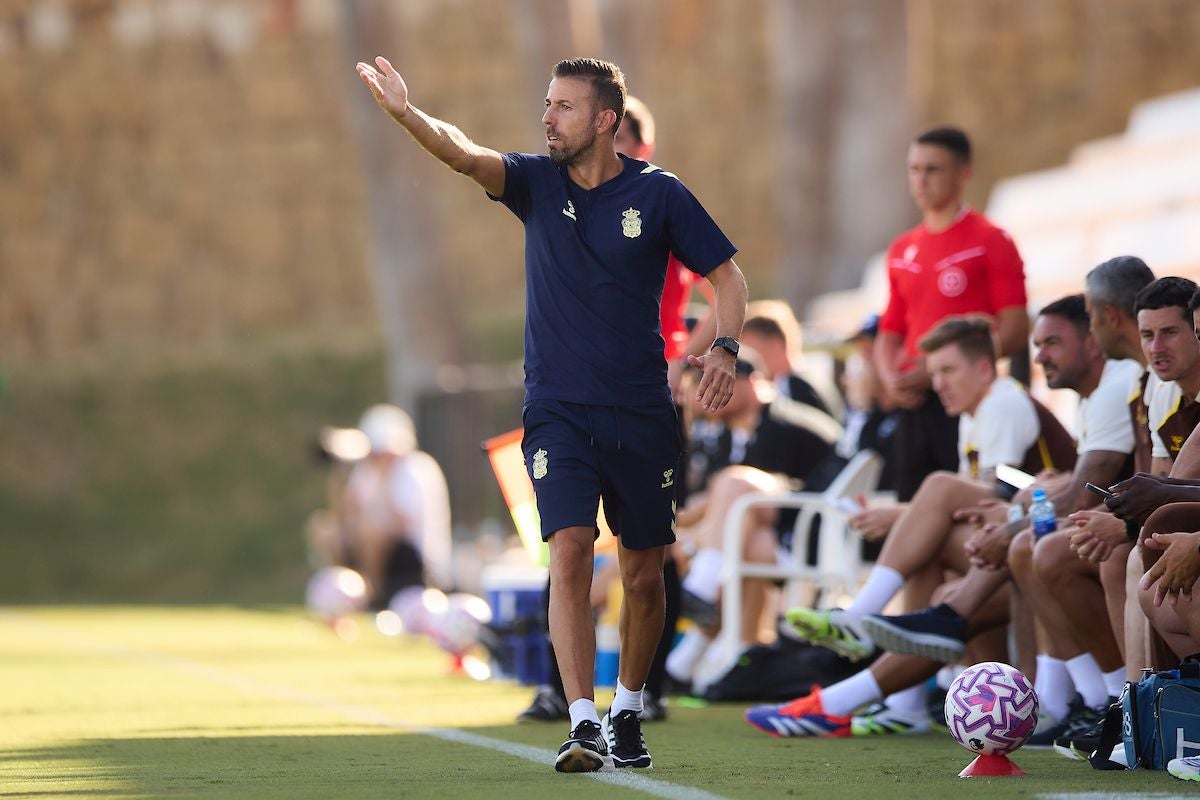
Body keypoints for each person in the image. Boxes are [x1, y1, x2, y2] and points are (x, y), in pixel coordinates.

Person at [356, 56, 747, 773]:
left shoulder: (660, 196)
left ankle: (629, 706)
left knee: (644, 578)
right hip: (557, 410)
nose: (547, 118)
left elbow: (728, 276)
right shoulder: (534, 183)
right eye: (546, 104)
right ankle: (582, 721)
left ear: (605, 121)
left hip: (641, 414)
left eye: (563, 107)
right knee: (567, 548)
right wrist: (408, 116)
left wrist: (723, 348)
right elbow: (463, 153)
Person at [517, 94, 706, 726]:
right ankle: (564, 695)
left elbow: (715, 286)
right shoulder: (568, 197)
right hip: (569, 394)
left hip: (646, 396)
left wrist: (690, 356)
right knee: (568, 541)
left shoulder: (659, 201)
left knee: (651, 558)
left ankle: (640, 693)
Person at [875, 127, 1029, 503]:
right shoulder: (902, 248)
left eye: (932, 169)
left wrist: (938, 370)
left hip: (967, 398)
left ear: (963, 173)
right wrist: (889, 377)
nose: (920, 179)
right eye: (914, 169)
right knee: (911, 507)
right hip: (914, 404)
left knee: (965, 505)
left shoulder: (990, 240)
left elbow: (1015, 328)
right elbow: (890, 329)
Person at [307, 404, 452, 607]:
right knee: (325, 527)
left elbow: (403, 525)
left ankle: (375, 595)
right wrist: (338, 475)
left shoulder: (418, 469)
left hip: (413, 558)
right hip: (370, 547)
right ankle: (340, 593)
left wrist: (385, 481)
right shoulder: (367, 470)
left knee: (370, 530)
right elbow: (345, 515)